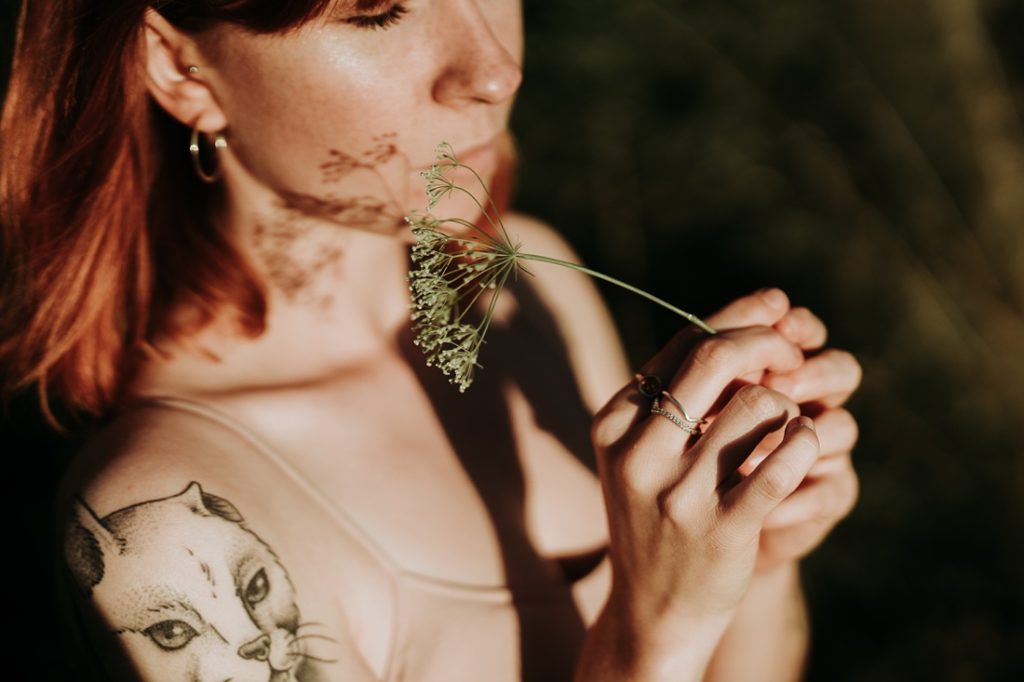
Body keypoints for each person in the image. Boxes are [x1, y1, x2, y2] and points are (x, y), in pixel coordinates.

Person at [0, 1, 861, 680]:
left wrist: (752, 555)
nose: (494, 68)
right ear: (181, 66)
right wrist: (656, 636)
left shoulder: (534, 286)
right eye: (377, 11)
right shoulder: (161, 525)